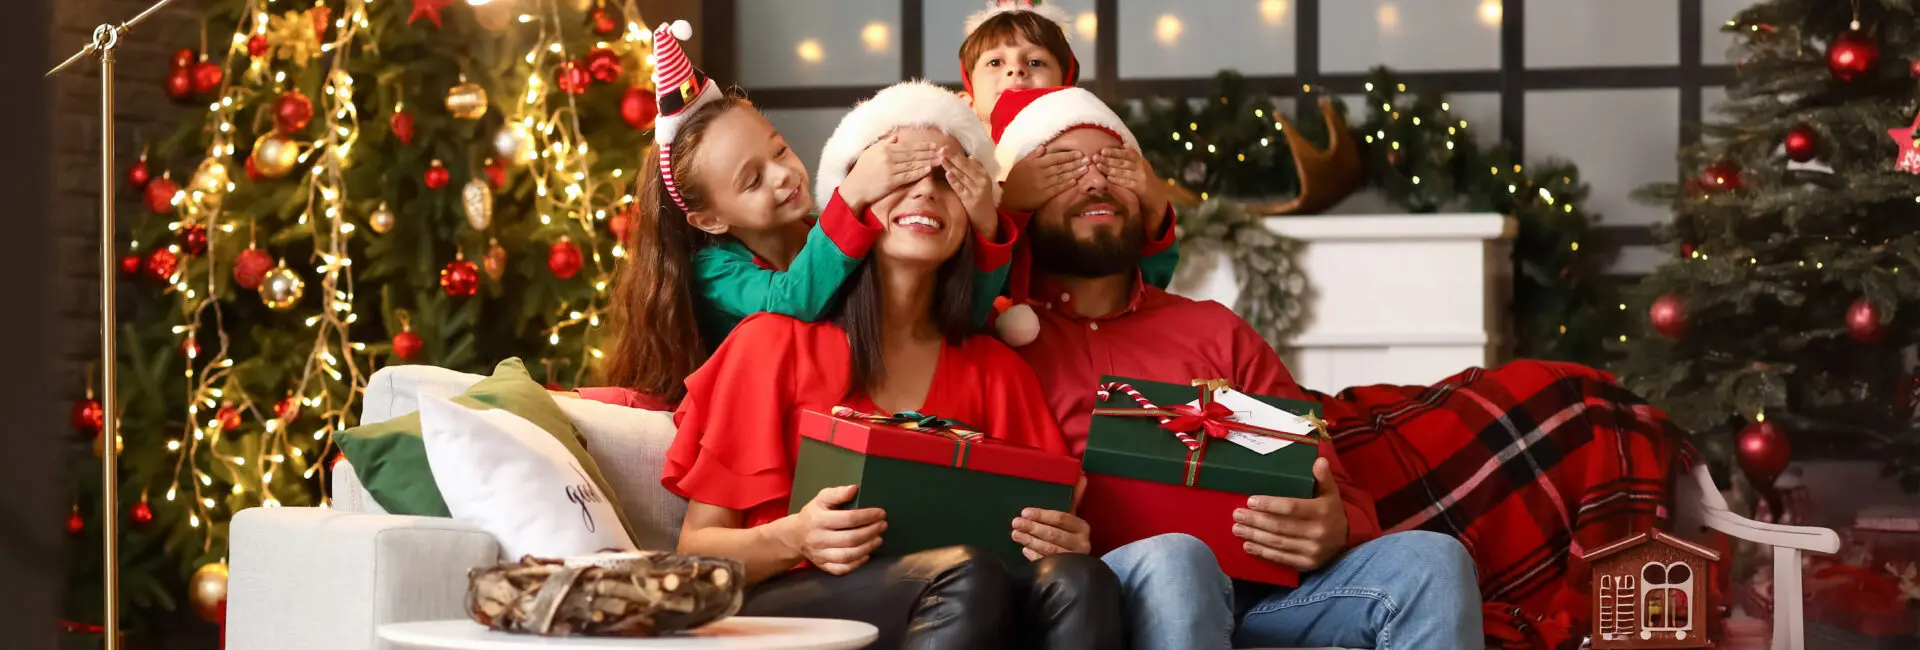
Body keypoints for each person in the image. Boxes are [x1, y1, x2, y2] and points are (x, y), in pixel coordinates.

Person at [989, 85, 1484, 649]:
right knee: (1177, 560)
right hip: (1106, 596)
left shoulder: (1213, 330)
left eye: (1115, 164)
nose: (1096, 181)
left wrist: (1336, 523)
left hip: (1263, 597)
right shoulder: (998, 340)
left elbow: (1324, 475)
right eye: (1063, 168)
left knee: (1431, 561)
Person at [663, 81, 1123, 649]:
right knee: (968, 575)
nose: (924, 193)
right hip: (794, 610)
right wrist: (798, 536)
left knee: (1083, 577)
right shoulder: (769, 346)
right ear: (853, 201)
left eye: (946, 178)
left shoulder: (997, 370)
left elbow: (1049, 527)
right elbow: (696, 551)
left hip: (964, 598)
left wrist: (1062, 536)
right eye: (902, 173)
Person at [592, 21, 1013, 411]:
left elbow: (957, 316)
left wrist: (985, 226)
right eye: (752, 180)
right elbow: (793, 302)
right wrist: (852, 195)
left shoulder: (824, 230)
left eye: (778, 150)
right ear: (709, 220)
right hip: (757, 417)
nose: (782, 175)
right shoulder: (713, 271)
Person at [955, 2, 1182, 347]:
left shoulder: (1097, 147)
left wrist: (1152, 202)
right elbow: (960, 294)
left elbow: (1145, 277)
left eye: (1035, 62)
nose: (1016, 72)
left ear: (1067, 82)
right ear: (968, 96)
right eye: (995, 63)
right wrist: (1011, 204)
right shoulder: (960, 168)